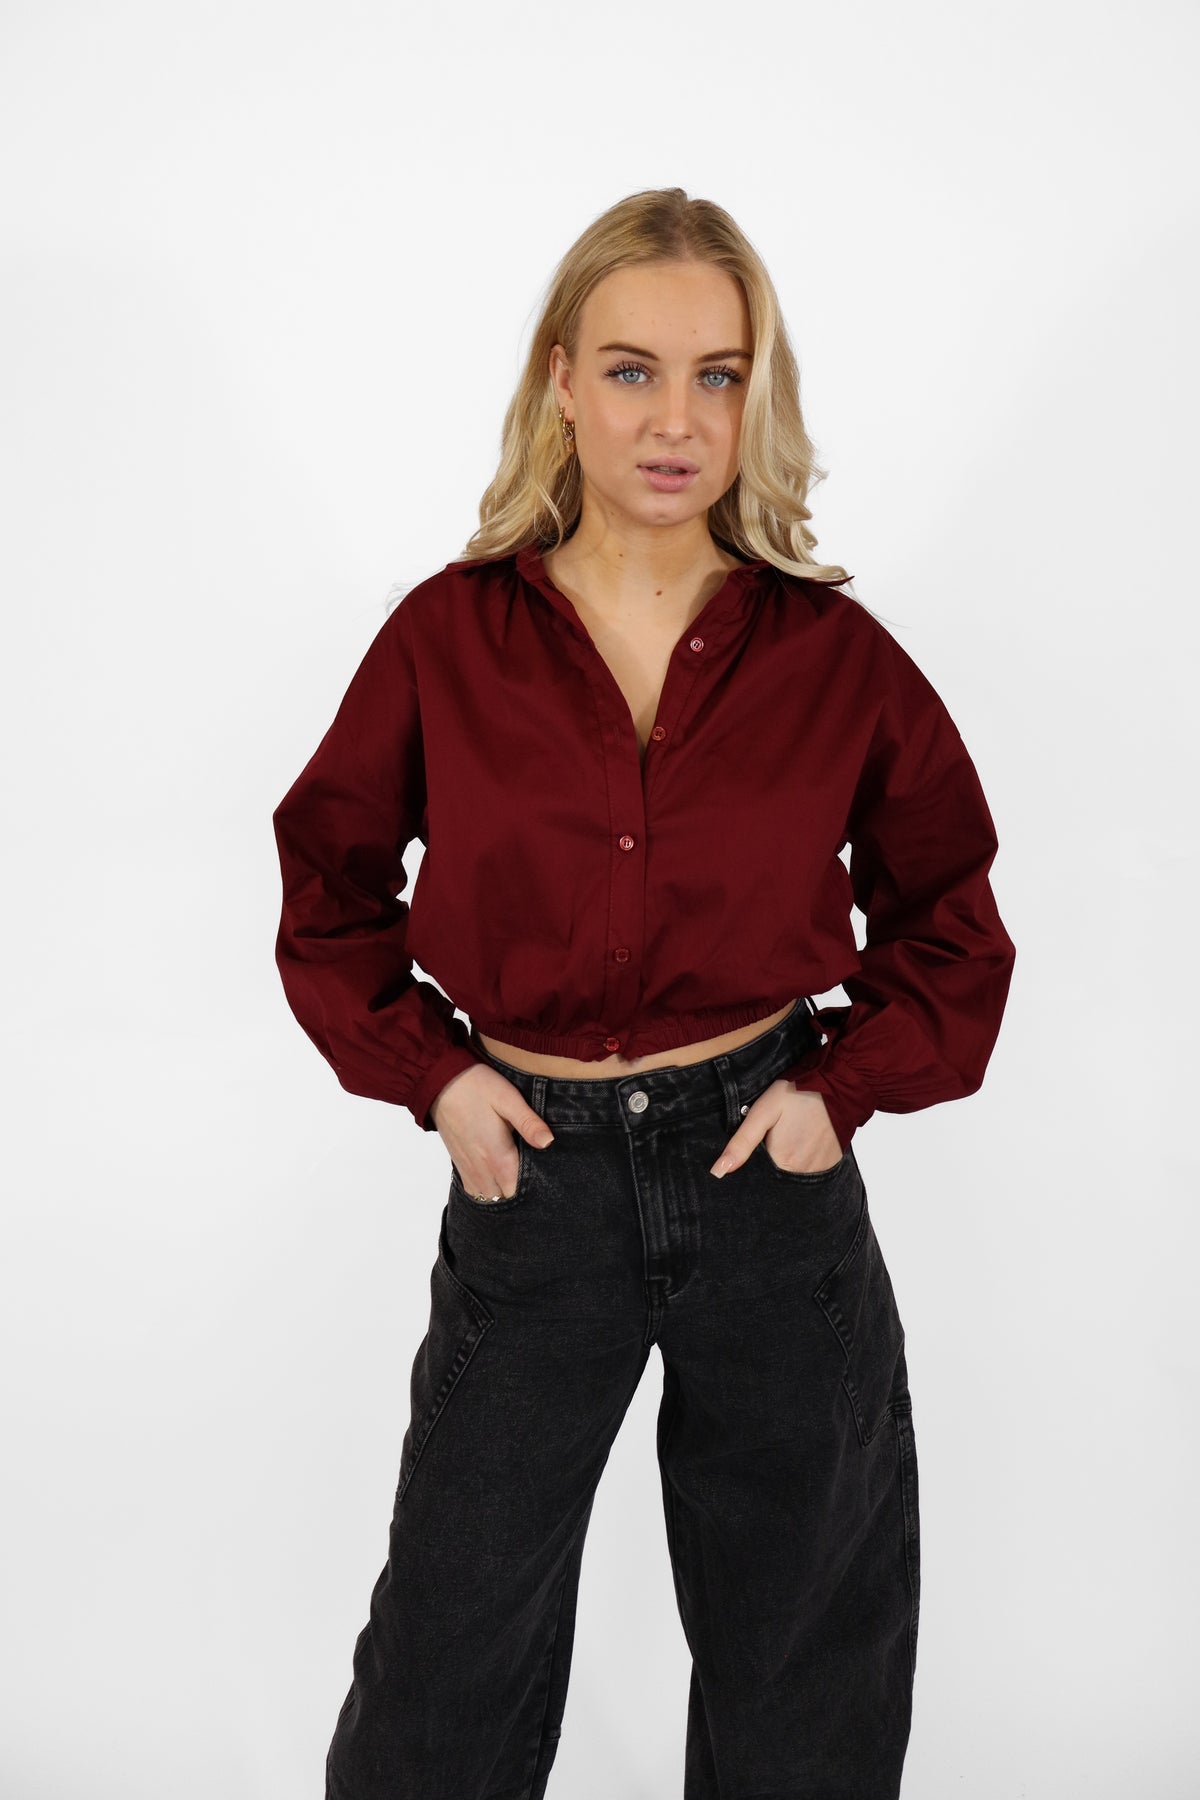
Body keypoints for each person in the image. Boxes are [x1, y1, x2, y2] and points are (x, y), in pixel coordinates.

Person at [271, 186, 1015, 1800]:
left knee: (802, 1656)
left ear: (758, 397)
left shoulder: (833, 658)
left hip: (768, 1180)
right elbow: (327, 888)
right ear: (560, 381)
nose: (677, 421)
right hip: (532, 1180)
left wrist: (837, 1096)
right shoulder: (447, 641)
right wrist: (437, 1076)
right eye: (631, 371)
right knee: (448, 1658)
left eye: (718, 376)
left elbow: (954, 917)